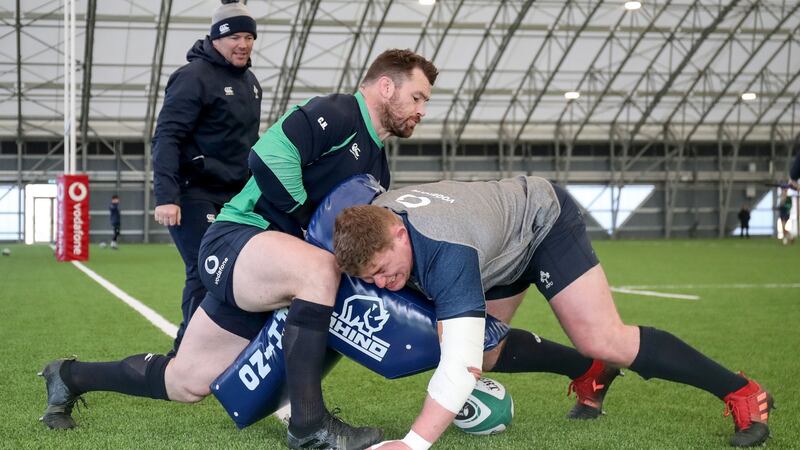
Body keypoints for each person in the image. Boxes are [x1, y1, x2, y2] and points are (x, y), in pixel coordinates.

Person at [39, 48, 439, 450]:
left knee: (186, 380)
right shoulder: (338, 112)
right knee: (320, 269)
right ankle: (308, 426)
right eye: (418, 97)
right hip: (237, 240)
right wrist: (305, 221)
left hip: (272, 269)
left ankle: (68, 376)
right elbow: (267, 157)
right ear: (386, 87)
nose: (422, 110)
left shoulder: (378, 166)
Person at [333, 176, 774, 449]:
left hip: (542, 224)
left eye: (383, 271)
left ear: (397, 234)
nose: (382, 284)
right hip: (495, 247)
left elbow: (458, 366)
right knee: (490, 349)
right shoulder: (379, 219)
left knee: (605, 338)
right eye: (370, 278)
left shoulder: (444, 252)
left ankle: (743, 392)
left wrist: (412, 444)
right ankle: (590, 371)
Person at [151, 0, 262, 355]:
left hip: (235, 196)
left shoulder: (251, 82)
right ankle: (186, 354)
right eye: (235, 37)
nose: (243, 44)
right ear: (216, 38)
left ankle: (224, 347)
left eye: (249, 37)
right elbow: (167, 137)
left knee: (240, 271)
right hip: (193, 193)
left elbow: (248, 143)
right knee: (205, 269)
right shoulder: (192, 77)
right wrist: (166, 196)